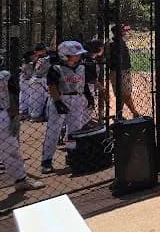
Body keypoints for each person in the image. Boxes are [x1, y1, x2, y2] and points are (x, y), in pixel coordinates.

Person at [41, 41, 92, 174]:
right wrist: (57, 102)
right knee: (54, 130)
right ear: (65, 55)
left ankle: (72, 156)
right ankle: (46, 161)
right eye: (75, 55)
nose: (79, 57)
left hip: (77, 98)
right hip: (61, 98)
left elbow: (83, 83)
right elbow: (52, 86)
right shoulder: (56, 68)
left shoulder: (81, 66)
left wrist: (88, 96)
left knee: (75, 130)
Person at [0, 69, 44, 191]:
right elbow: (13, 95)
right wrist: (14, 114)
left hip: (2, 115)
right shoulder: (4, 76)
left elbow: (12, 94)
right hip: (2, 117)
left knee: (11, 151)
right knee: (10, 151)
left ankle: (20, 180)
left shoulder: (4, 76)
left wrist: (14, 114)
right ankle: (20, 179)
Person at [106, 24, 140, 119]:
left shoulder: (118, 42)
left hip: (123, 71)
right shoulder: (113, 43)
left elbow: (129, 34)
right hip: (118, 72)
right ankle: (134, 112)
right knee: (125, 94)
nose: (125, 32)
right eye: (123, 31)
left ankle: (119, 114)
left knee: (123, 94)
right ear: (119, 33)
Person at [82, 40, 105, 126]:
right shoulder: (91, 62)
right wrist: (102, 89)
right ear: (98, 49)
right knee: (87, 109)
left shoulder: (84, 59)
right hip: (87, 88)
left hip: (82, 87)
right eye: (102, 48)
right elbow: (93, 80)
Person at [17, 51, 35, 119]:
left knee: (23, 96)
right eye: (33, 55)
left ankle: (22, 111)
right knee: (28, 96)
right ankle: (25, 112)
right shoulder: (29, 63)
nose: (34, 56)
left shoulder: (24, 62)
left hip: (23, 80)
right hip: (27, 81)